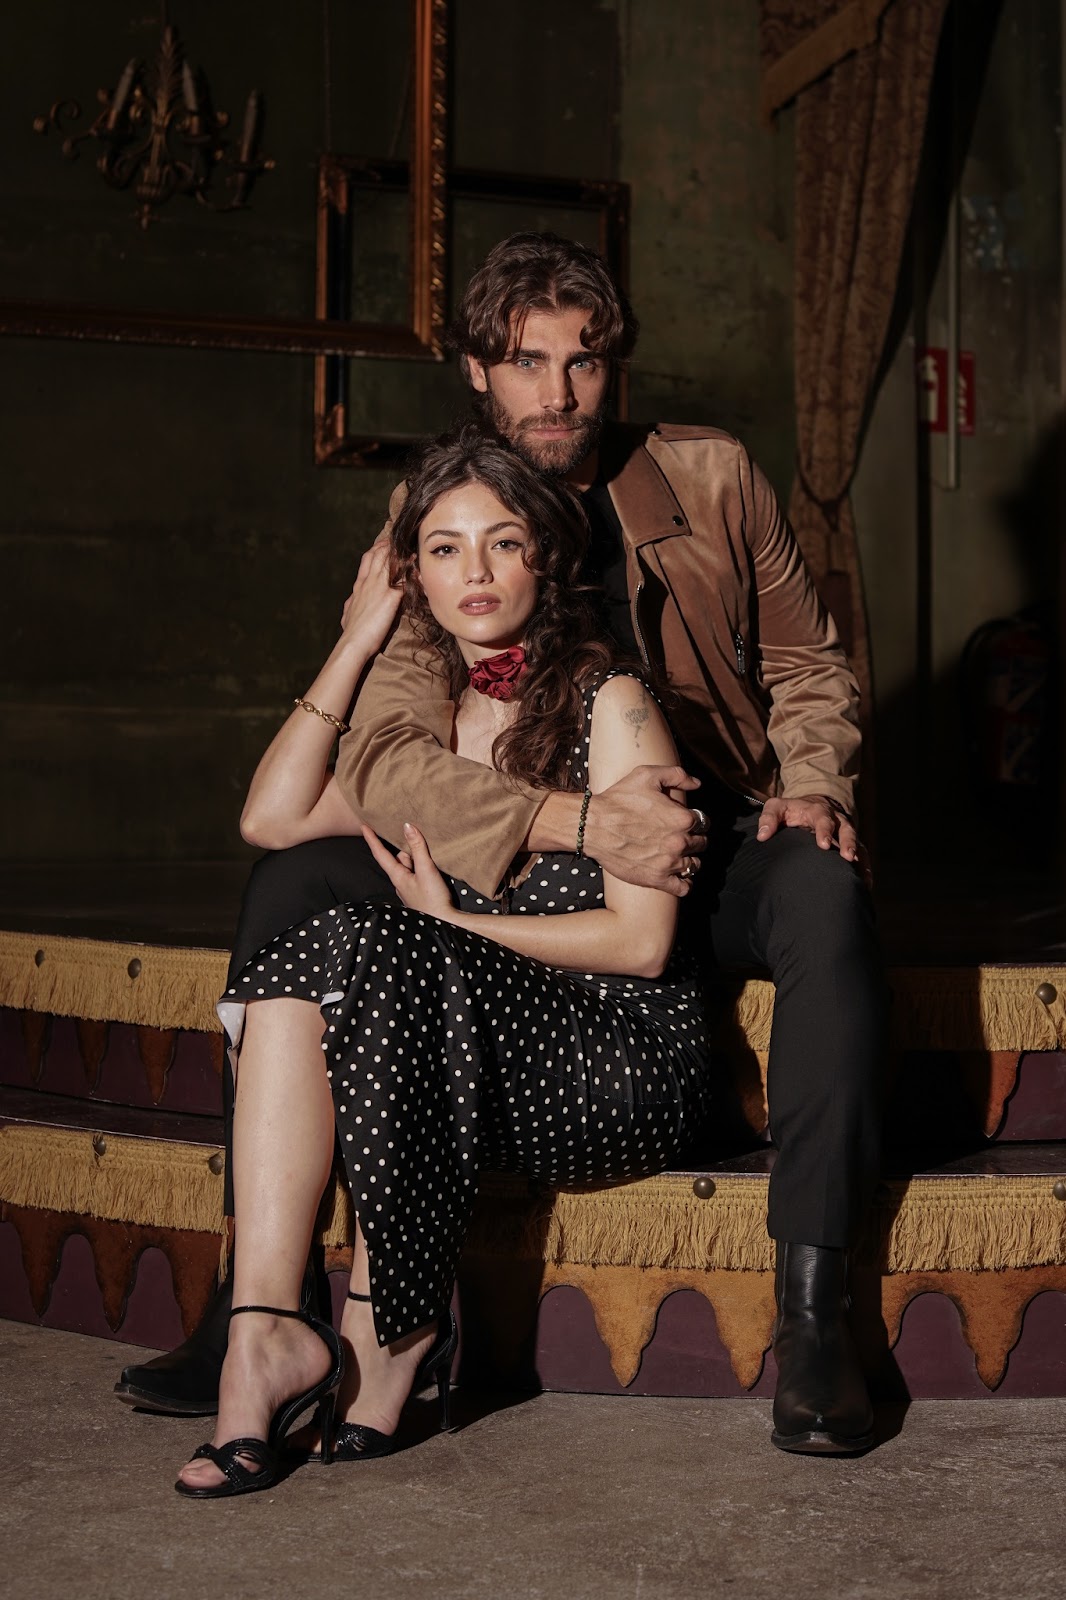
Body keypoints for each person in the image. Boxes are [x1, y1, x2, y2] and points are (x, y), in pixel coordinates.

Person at [120, 231, 885, 1457]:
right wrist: (567, 819)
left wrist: (812, 782)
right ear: (478, 370)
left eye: (583, 362)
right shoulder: (439, 508)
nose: (558, 393)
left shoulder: (711, 476)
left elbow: (806, 661)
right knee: (296, 876)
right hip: (522, 828)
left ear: (612, 366)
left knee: (826, 892)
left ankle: (814, 1313)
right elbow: (386, 752)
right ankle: (254, 1301)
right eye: (528, 362)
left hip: (714, 820)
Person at [174, 428, 713, 1496]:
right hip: (467, 1061)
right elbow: (272, 816)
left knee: (385, 939)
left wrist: (453, 929)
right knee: (315, 947)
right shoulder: (419, 737)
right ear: (410, 573)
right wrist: (356, 639)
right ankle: (262, 1335)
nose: (475, 571)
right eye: (443, 548)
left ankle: (396, 1327)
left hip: (615, 1065)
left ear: (543, 558)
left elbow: (641, 944)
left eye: (503, 542)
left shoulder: (610, 701)